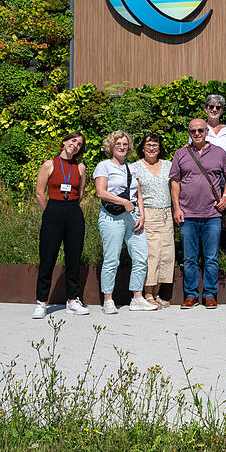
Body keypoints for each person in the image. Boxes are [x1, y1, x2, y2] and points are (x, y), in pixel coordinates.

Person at [170, 118, 226, 309]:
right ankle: (190, 295)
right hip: (187, 214)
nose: (197, 134)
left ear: (207, 131)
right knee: (189, 258)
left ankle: (209, 295)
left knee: (211, 257)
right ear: (188, 133)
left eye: (200, 130)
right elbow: (175, 181)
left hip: (212, 213)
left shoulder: (219, 153)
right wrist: (176, 207)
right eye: (193, 131)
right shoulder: (181, 153)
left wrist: (225, 197)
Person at [94, 130, 156, 314]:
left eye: (125, 144)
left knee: (141, 256)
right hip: (111, 217)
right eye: (118, 144)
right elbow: (100, 192)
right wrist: (123, 202)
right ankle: (108, 299)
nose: (122, 147)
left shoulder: (132, 168)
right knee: (112, 259)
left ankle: (137, 297)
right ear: (111, 147)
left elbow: (138, 194)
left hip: (133, 216)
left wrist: (142, 215)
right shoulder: (104, 166)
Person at [32, 131, 89, 319]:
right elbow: (40, 192)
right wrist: (50, 212)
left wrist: (69, 209)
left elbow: (80, 192)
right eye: (73, 141)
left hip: (73, 211)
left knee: (73, 258)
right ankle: (41, 302)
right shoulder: (49, 164)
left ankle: (72, 300)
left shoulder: (80, 167)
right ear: (64, 142)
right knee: (47, 258)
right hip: (53, 210)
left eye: (80, 144)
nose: (76, 145)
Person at [130, 134, 174, 309]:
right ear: (142, 147)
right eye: (148, 145)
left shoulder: (168, 165)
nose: (152, 148)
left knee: (166, 255)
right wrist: (139, 215)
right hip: (147, 213)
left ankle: (157, 294)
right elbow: (135, 193)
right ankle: (147, 293)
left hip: (167, 213)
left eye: (155, 145)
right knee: (152, 255)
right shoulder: (136, 167)